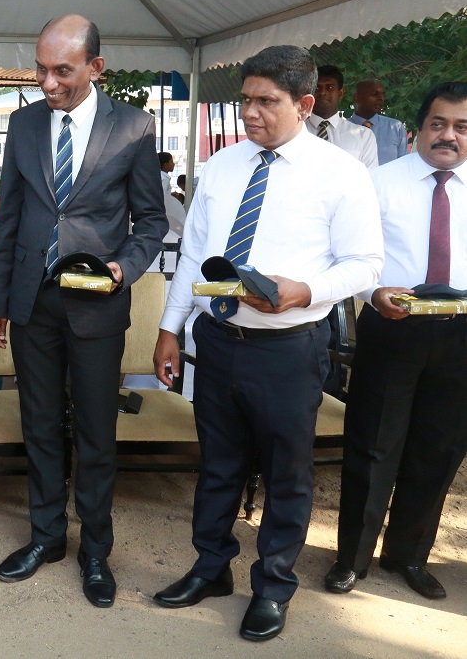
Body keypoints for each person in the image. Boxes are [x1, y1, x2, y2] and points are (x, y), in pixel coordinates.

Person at [151, 45, 383, 642]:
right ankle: (211, 568)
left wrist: (304, 290)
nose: (250, 113)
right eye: (245, 100)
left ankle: (273, 586)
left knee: (286, 474)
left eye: (266, 102)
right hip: (218, 341)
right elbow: (192, 260)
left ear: (305, 105)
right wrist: (169, 330)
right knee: (219, 466)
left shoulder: (341, 174)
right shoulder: (224, 166)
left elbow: (365, 265)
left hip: (289, 349)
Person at [0, 14, 167, 609]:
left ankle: (95, 550)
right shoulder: (23, 124)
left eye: (61, 70)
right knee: (38, 425)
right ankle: (46, 538)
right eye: (40, 68)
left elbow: (153, 220)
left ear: (95, 68)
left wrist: (126, 267)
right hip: (32, 304)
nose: (46, 82)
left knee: (95, 431)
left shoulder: (135, 128)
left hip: (96, 306)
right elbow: (7, 217)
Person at [324, 82, 467, 601]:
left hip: (461, 335)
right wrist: (372, 289)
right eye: (438, 123)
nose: (448, 135)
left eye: (461, 127)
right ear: (418, 127)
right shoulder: (378, 182)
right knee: (373, 444)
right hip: (393, 325)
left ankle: (408, 555)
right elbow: (350, 255)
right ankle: (352, 559)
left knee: (440, 449)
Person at [306, 64, 378, 169]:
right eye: (317, 88)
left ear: (341, 93)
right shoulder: (294, 132)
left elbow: (370, 177)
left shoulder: (363, 136)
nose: (323, 92)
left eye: (330, 87)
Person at [348, 78, 410, 165]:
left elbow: (403, 165)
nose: (381, 98)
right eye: (374, 94)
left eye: (383, 95)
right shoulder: (341, 129)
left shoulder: (396, 127)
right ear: (357, 97)